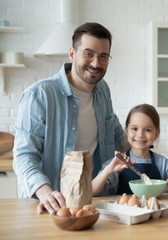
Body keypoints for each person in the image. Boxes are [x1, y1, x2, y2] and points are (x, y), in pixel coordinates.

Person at [13, 22, 129, 214]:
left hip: (94, 202)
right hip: (50, 205)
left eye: (103, 57)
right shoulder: (39, 95)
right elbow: (24, 156)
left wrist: (146, 151)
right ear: (72, 53)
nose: (95, 63)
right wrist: (44, 192)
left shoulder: (103, 90)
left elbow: (116, 132)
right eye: (88, 54)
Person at [92, 104, 168, 196]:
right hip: (124, 209)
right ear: (126, 131)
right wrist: (108, 170)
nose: (140, 135)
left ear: (156, 134)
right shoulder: (118, 162)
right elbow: (92, 191)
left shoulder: (162, 163)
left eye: (147, 130)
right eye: (134, 128)